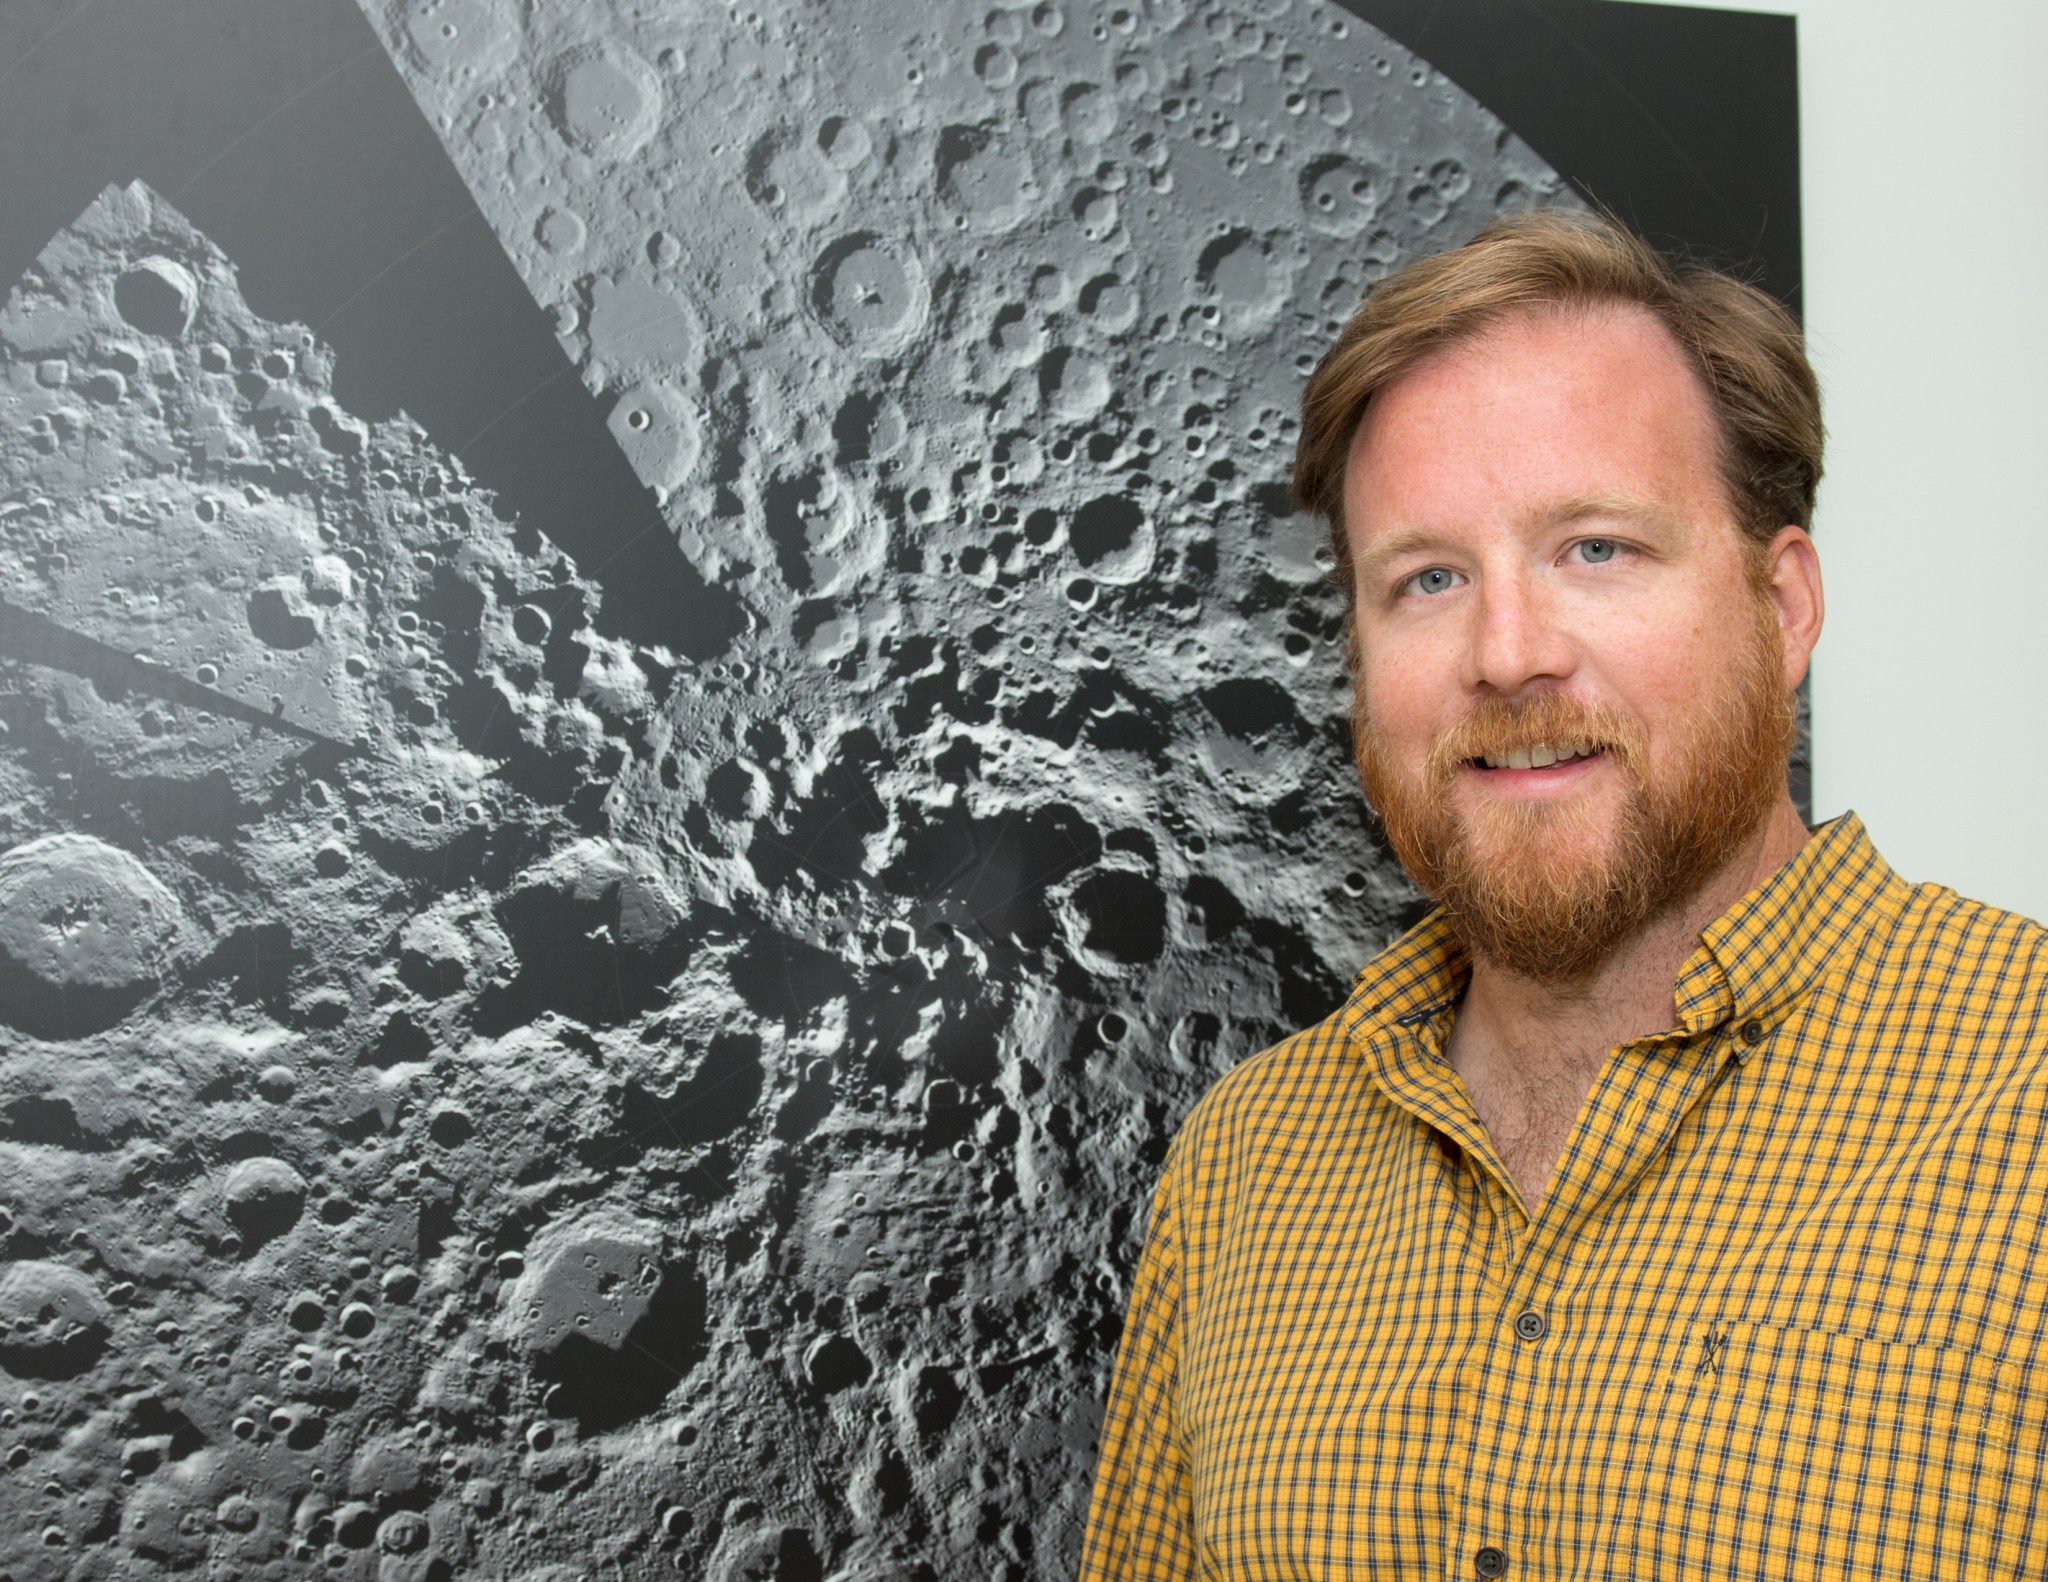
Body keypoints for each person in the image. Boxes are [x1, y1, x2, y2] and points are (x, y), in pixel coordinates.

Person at [1077, 208, 2048, 1580]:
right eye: (1426, 578)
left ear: (1785, 608)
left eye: (1595, 548)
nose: (1508, 653)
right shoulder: (1243, 1172)